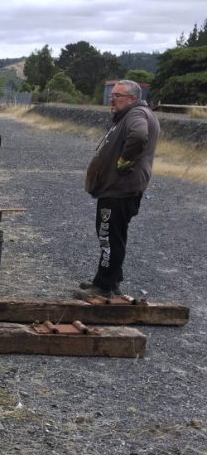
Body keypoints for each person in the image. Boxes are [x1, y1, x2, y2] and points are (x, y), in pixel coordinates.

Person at [77, 79, 159, 299]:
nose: (111, 99)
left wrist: (124, 159)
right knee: (112, 236)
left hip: (119, 189)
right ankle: (108, 281)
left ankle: (104, 288)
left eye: (117, 96)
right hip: (117, 189)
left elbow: (139, 135)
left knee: (109, 237)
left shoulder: (136, 114)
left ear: (132, 98)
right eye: (112, 95)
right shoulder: (130, 114)